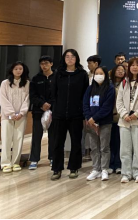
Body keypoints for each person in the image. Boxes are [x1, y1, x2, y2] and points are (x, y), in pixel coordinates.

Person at [50, 50, 89, 181]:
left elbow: (85, 94)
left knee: (76, 142)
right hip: (59, 114)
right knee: (57, 142)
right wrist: (55, 108)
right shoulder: (58, 73)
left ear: (76, 59)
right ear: (64, 58)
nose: (70, 59)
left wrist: (83, 111)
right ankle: (57, 169)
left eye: (72, 56)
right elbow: (53, 93)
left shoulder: (82, 74)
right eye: (67, 56)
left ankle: (74, 167)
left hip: (76, 114)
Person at [117, 57, 138, 184]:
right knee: (125, 149)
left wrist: (137, 114)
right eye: (132, 65)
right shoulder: (124, 82)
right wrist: (124, 114)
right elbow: (119, 101)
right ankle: (126, 173)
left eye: (137, 65)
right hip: (125, 121)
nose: (135, 67)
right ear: (129, 67)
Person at [83, 66, 115, 182]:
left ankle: (104, 169)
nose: (98, 76)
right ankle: (96, 169)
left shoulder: (110, 88)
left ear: (105, 75)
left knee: (104, 147)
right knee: (94, 147)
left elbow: (107, 107)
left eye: (101, 73)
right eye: (96, 73)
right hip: (91, 123)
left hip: (105, 122)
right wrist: (89, 118)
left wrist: (95, 118)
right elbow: (85, 104)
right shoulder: (90, 88)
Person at [0, 62, 30, 173]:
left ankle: (15, 162)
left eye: (20, 69)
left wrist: (21, 113)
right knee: (6, 139)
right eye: (16, 69)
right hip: (7, 116)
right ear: (12, 70)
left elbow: (27, 99)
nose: (18, 71)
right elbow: (3, 99)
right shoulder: (5, 83)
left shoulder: (27, 83)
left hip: (21, 116)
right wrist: (11, 113)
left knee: (19, 139)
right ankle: (6, 163)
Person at [29, 56, 55, 170]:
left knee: (53, 136)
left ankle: (53, 157)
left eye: (46, 63)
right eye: (42, 64)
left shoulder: (57, 77)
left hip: (53, 111)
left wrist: (50, 104)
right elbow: (32, 95)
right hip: (38, 111)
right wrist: (42, 104)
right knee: (36, 136)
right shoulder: (36, 78)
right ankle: (34, 159)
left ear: (51, 64)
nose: (44, 66)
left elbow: (59, 93)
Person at [109, 64, 126, 174]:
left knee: (120, 142)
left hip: (121, 117)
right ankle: (110, 164)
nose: (120, 71)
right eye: (118, 70)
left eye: (122, 70)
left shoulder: (126, 84)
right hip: (109, 116)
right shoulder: (108, 84)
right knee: (111, 143)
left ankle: (118, 164)